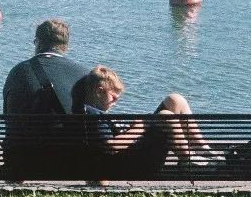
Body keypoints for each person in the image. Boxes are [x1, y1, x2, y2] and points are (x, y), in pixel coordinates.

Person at [71, 65, 213, 170]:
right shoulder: (92, 115)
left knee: (175, 99)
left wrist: (134, 128)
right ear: (99, 91)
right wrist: (140, 128)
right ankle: (186, 159)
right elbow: (111, 146)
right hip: (136, 159)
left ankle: (202, 148)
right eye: (113, 98)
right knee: (165, 116)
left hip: (137, 150)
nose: (115, 102)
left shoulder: (94, 112)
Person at [2, 19, 89, 114]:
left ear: (38, 42)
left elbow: (7, 112)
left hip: (27, 129)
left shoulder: (17, 72)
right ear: (66, 46)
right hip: (71, 129)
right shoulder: (84, 74)